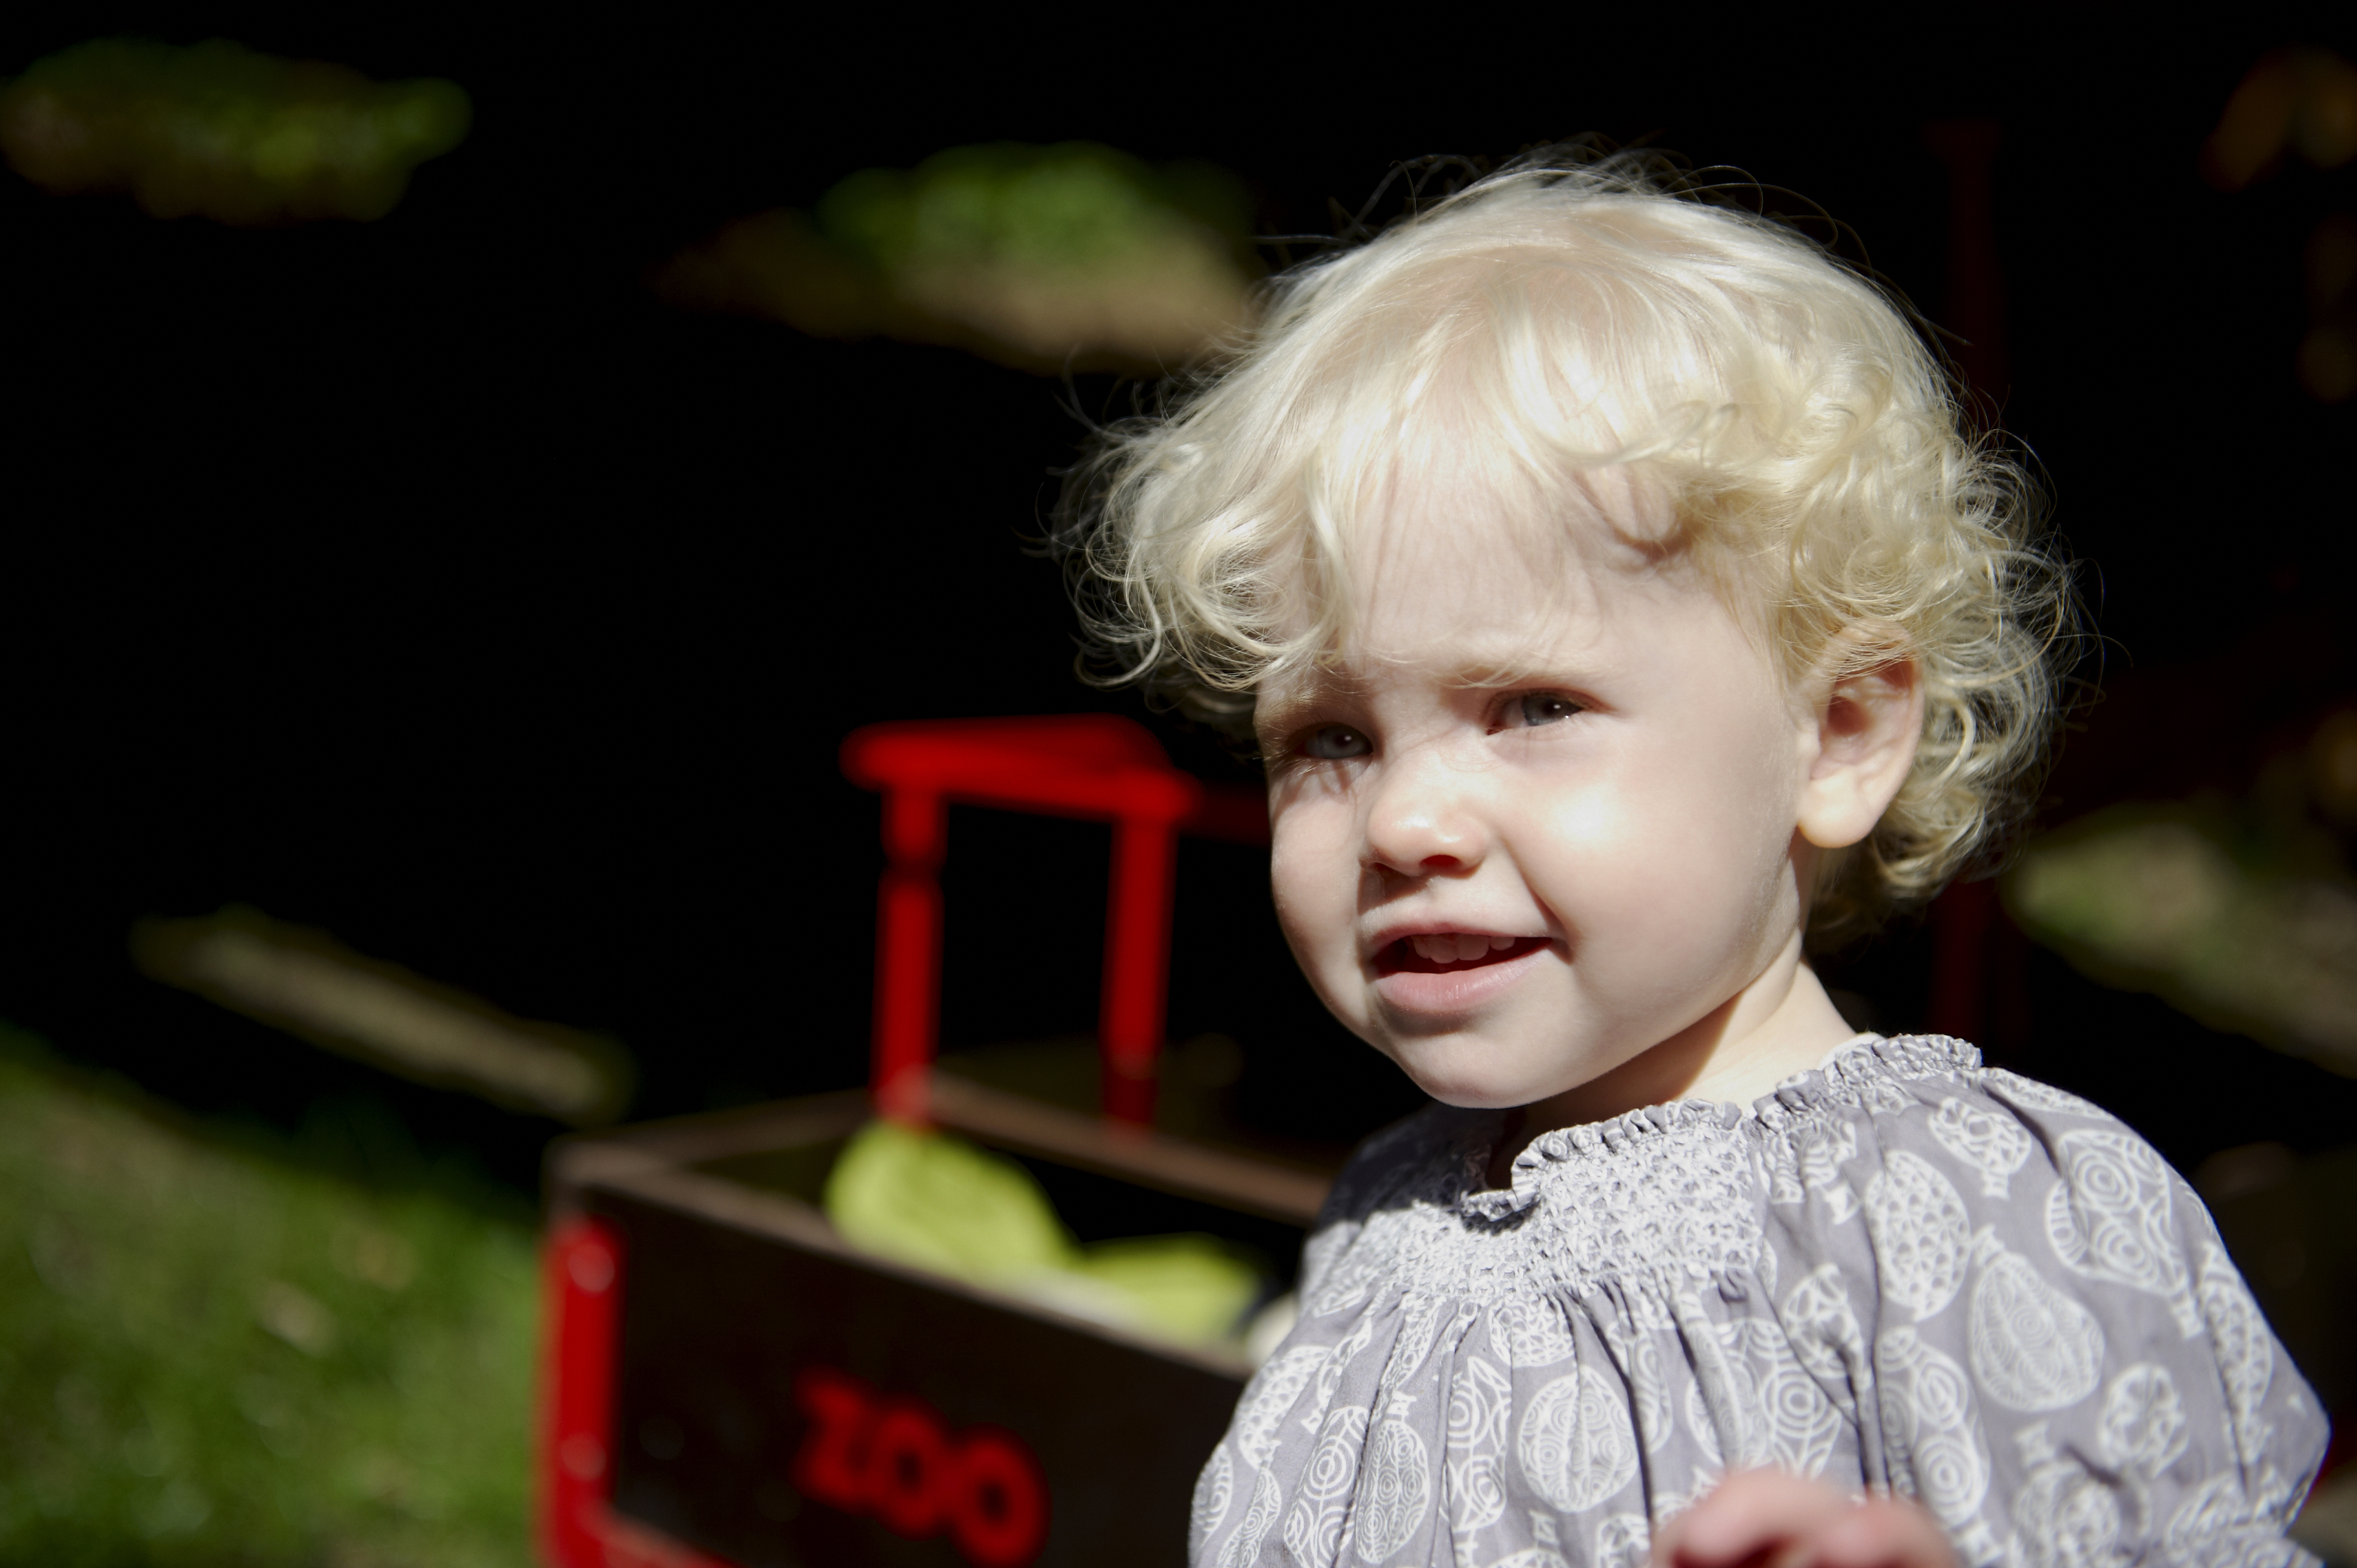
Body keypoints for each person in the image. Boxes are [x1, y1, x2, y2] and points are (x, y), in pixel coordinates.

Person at [1054, 153, 2329, 1568]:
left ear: (1837, 736)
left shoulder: (1968, 1214)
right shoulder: (1387, 1208)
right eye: (1332, 739)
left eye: (1533, 707)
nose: (1407, 822)